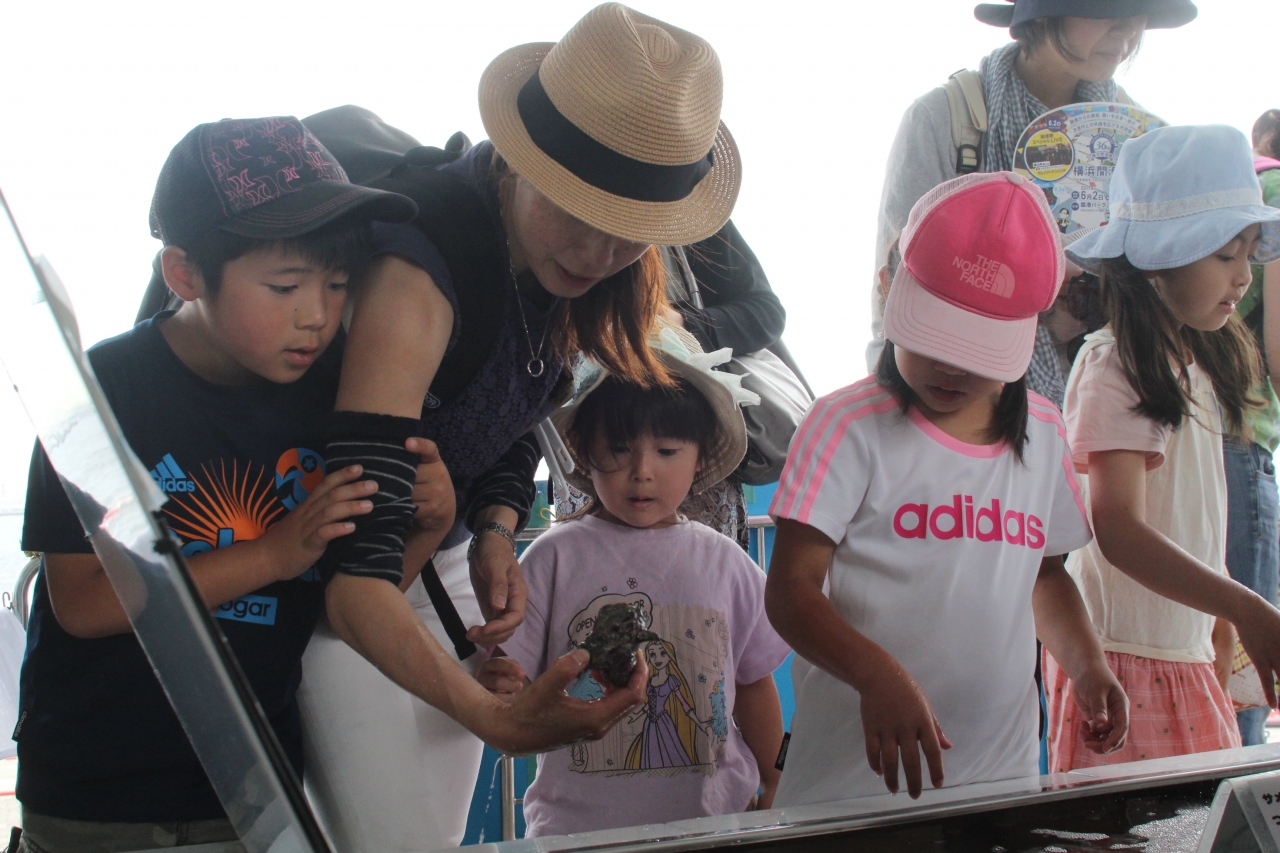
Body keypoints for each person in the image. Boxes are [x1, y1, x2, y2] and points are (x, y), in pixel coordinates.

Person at [295, 5, 741, 850]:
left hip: (442, 562)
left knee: (431, 836)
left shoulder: (570, 278)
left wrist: (497, 524)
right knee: (387, 839)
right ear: (519, 159)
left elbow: (512, 422)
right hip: (336, 583)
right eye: (577, 210)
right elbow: (352, 579)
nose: (597, 253)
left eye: (629, 233)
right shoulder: (421, 272)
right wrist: (495, 717)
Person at [14, 116, 426, 853]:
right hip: (97, 799)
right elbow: (82, 600)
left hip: (256, 796)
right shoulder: (104, 392)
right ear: (185, 274)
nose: (317, 315)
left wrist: (429, 521)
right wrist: (272, 554)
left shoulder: (334, 400)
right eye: (284, 285)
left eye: (338, 284)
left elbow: (345, 603)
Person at [767, 169, 1125, 806]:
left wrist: (1088, 664)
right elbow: (791, 591)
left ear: (1030, 328)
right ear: (889, 287)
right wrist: (876, 674)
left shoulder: (1044, 432)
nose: (952, 367)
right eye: (934, 337)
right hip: (853, 789)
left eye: (980, 349)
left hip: (998, 780)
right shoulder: (846, 425)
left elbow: (1043, 577)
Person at [478, 324, 790, 835]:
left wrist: (777, 773)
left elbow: (754, 683)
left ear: (699, 455)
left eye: (667, 451)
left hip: (713, 827)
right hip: (574, 833)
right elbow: (516, 681)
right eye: (620, 448)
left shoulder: (726, 562)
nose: (643, 470)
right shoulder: (552, 557)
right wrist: (498, 682)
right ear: (584, 450)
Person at [1045, 125, 1280, 772]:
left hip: (1187, 654)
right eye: (1224, 255)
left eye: (1248, 254)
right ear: (1157, 258)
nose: (1243, 277)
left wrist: (1220, 621)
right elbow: (1118, 529)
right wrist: (1243, 604)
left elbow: (1195, 520)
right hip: (1127, 667)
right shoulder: (1116, 365)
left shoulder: (1194, 364)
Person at [869, 0, 1198, 407]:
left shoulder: (1133, 133)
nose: (1128, 30)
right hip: (958, 390)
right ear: (1043, 12)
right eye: (1107, 10)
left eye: (1138, 15)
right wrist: (892, 405)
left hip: (1103, 397)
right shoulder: (949, 117)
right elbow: (897, 276)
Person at [1225, 109, 1280, 745]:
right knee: (1251, 665)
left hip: (1191, 435)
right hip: (1241, 437)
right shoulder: (1276, 199)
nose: (1240, 273)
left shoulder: (1235, 187)